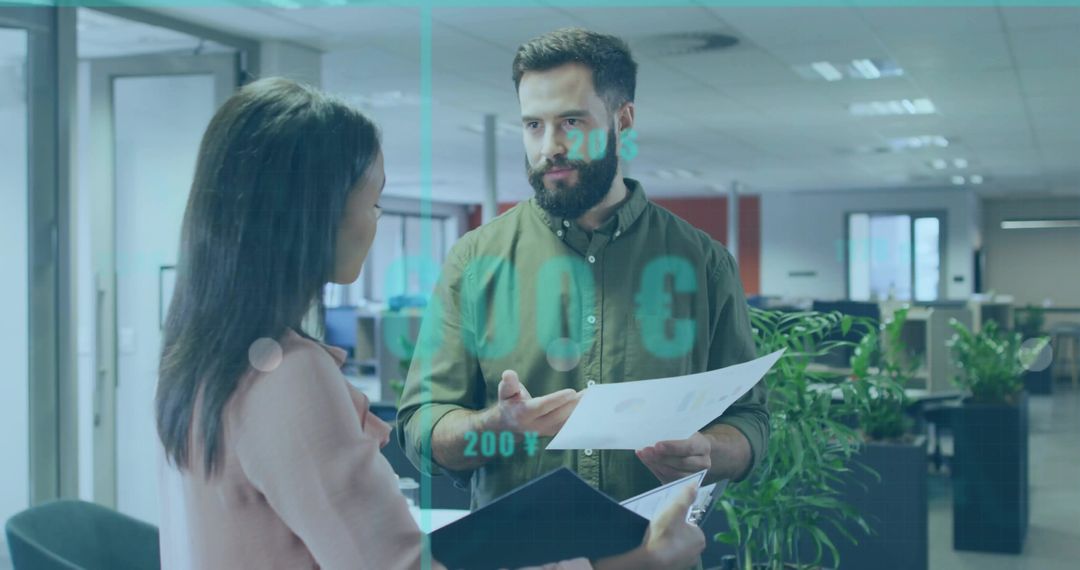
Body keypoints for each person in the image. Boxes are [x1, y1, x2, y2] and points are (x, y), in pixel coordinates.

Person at [155, 77, 705, 570]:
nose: (374, 222)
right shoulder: (289, 378)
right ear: (319, 212)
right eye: (372, 202)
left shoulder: (201, 361)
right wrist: (639, 564)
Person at [398, 27, 769, 511]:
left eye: (571, 122)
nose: (550, 145)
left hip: (654, 556)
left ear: (623, 119)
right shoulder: (474, 261)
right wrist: (494, 428)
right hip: (516, 556)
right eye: (533, 125)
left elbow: (750, 421)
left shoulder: (703, 262)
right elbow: (421, 426)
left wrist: (711, 451)